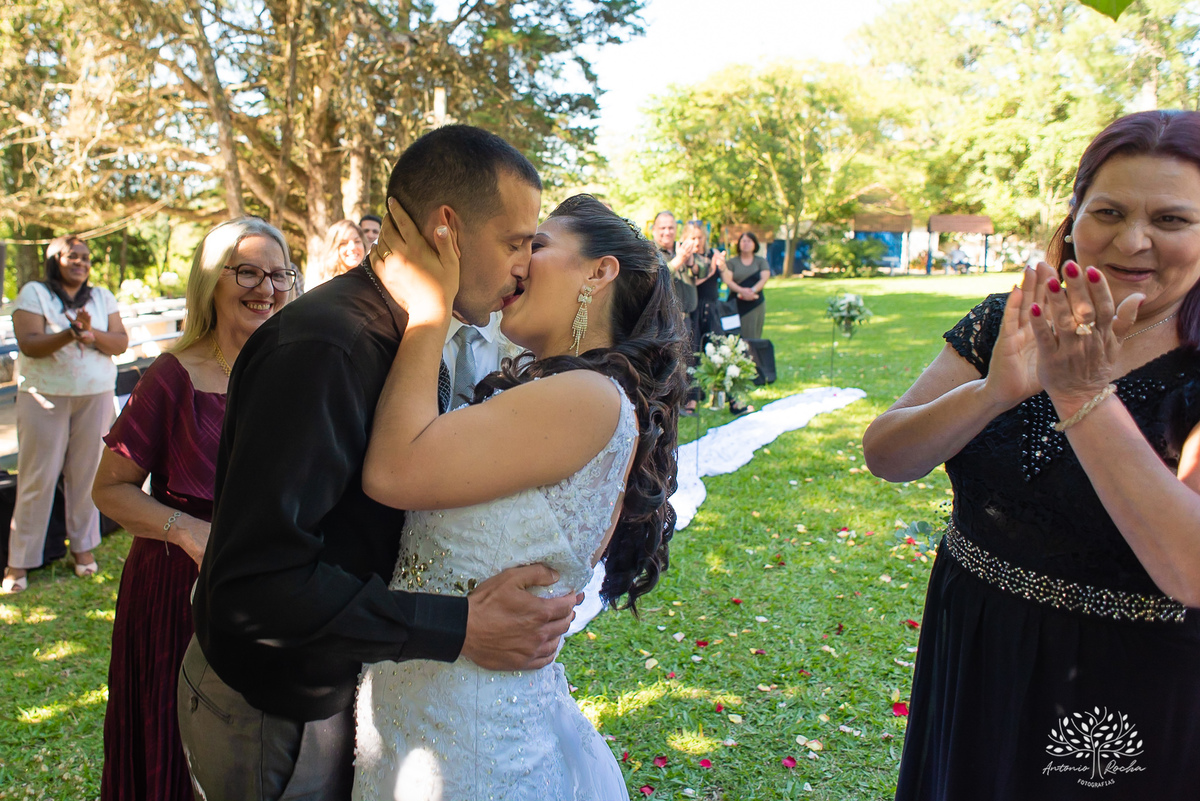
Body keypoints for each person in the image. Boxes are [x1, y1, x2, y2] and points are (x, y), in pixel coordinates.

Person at [178, 125, 581, 801]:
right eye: (516, 240)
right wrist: (458, 628)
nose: (526, 264)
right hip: (281, 708)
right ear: (446, 229)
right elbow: (253, 587)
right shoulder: (325, 348)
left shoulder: (418, 336)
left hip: (356, 692)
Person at [863, 109, 1200, 799]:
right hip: (977, 641)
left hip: (1125, 685)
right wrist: (992, 392)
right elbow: (887, 454)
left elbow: (1191, 568)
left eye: (1171, 220)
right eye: (1109, 210)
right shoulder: (1007, 318)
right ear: (1075, 215)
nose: (1133, 239)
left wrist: (1081, 393)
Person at [353, 192, 687, 800]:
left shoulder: (585, 396)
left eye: (537, 243)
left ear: (599, 270)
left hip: (469, 744)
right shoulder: (571, 389)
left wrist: (430, 310)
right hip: (436, 712)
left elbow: (394, 470)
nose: (519, 261)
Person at [92, 219, 299, 801]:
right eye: (248, 271)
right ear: (212, 281)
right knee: (177, 751)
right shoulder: (172, 376)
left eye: (279, 273)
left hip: (272, 591)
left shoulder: (300, 372)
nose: (267, 287)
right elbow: (109, 490)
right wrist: (188, 532)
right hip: (176, 594)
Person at [2, 236, 127, 594]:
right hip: (45, 396)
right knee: (37, 477)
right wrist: (70, 334)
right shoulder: (35, 293)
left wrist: (90, 334)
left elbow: (119, 342)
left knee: (87, 475)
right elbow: (29, 343)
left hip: (95, 394)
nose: (82, 263)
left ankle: (83, 550)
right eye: (73, 256)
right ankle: (19, 562)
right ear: (54, 258)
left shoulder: (102, 297)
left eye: (86, 257)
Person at [653, 211, 701, 414]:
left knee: (690, 358)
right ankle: (669, 402)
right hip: (663, 319)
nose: (667, 232)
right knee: (668, 361)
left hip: (687, 315)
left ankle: (690, 400)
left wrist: (689, 261)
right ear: (654, 230)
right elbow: (655, 277)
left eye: (671, 227)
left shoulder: (684, 249)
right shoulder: (650, 251)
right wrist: (678, 261)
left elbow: (704, 272)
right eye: (662, 228)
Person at [719, 231, 770, 341]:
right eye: (743, 241)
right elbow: (728, 280)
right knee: (734, 335)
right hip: (735, 303)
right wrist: (742, 291)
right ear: (739, 244)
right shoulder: (732, 262)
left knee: (753, 336)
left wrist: (752, 291)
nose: (746, 243)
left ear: (754, 244)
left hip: (756, 303)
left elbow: (764, 278)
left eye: (749, 241)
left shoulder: (760, 261)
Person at [310, 219, 366, 287]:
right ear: (333, 247)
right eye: (344, 243)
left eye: (357, 241)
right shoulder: (325, 286)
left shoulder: (372, 283)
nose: (353, 247)